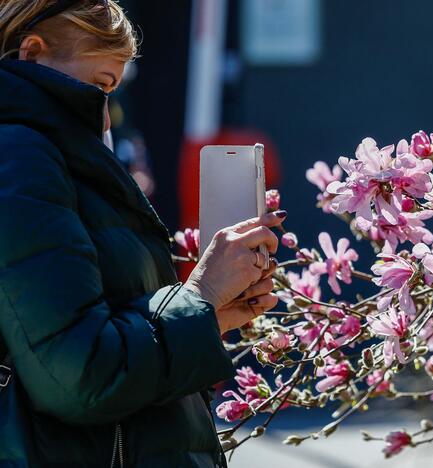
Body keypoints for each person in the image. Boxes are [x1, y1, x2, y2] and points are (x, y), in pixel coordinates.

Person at [0, 1, 280, 466]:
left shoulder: (47, 155)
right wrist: (201, 297)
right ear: (31, 54)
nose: (106, 117)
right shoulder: (20, 156)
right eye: (99, 86)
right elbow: (81, 376)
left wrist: (207, 317)